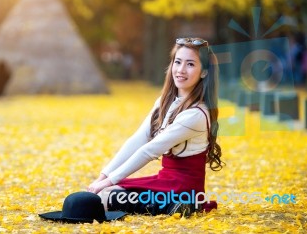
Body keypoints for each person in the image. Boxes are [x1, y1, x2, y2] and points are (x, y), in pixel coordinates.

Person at [87, 37, 224, 217]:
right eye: (178, 62)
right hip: (165, 181)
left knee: (108, 196)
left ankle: (183, 205)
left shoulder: (196, 114)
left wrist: (109, 182)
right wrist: (104, 177)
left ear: (204, 72)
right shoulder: (164, 102)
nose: (181, 70)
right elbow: (138, 139)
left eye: (190, 64)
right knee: (107, 193)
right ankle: (171, 204)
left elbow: (150, 150)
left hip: (185, 188)